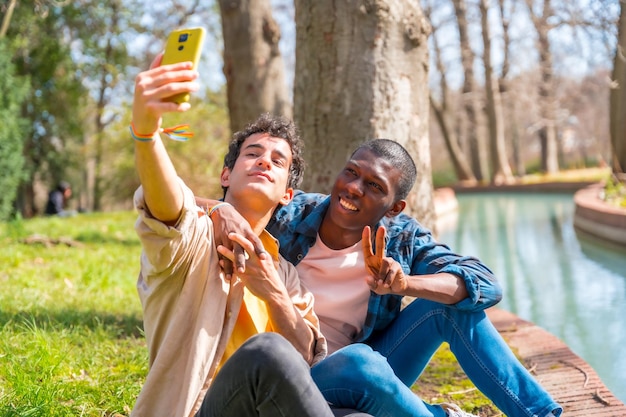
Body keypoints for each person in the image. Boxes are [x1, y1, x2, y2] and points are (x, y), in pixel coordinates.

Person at [202, 139, 563, 417]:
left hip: (365, 371)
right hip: (287, 374)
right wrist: (222, 209)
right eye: (352, 172)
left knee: (447, 310)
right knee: (362, 361)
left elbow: (484, 283)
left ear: (394, 208)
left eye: (374, 186)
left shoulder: (402, 238)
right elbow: (180, 207)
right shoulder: (291, 215)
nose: (354, 188)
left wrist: (407, 284)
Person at [129, 53, 348, 417]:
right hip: (200, 410)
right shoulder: (192, 239)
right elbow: (166, 203)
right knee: (268, 352)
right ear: (226, 175)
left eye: (279, 161)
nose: (265, 161)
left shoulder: (284, 274)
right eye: (253, 153)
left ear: (286, 196)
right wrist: (146, 132)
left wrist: (274, 294)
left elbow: (310, 358)